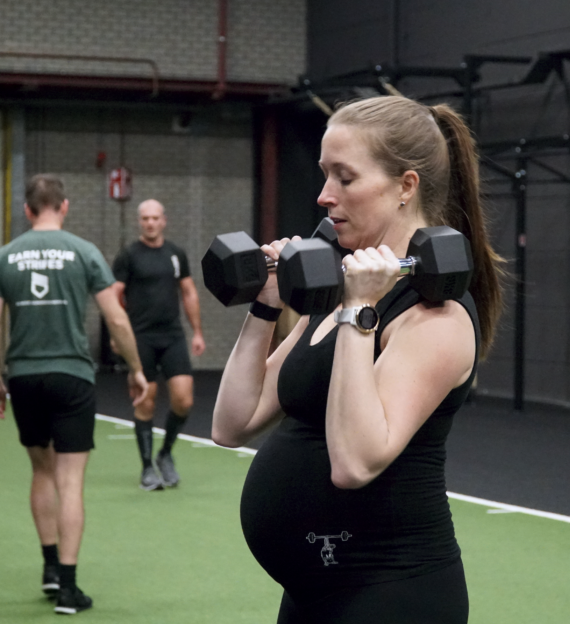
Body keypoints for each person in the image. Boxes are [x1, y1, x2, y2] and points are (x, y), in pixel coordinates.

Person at [212, 96, 504, 623]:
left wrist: (359, 309)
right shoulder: (343, 292)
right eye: (325, 175)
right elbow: (232, 424)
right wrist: (267, 302)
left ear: (405, 187)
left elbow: (354, 463)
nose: (324, 196)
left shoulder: (434, 316)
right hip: (310, 595)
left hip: (390, 593)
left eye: (345, 178)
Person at [0, 174, 148, 615]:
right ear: (65, 206)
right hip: (72, 376)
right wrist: (135, 369)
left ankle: (50, 568)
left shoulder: (5, 256)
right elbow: (116, 319)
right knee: (71, 481)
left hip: (26, 377)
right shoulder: (84, 252)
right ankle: (70, 589)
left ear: (29, 210)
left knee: (42, 471)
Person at [112, 198, 206, 490]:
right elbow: (114, 296)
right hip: (141, 338)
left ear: (163, 220)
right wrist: (119, 336)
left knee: (184, 400)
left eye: (155, 218)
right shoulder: (128, 256)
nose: (150, 223)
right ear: (140, 222)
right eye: (145, 219)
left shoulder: (176, 254)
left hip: (173, 336)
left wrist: (198, 332)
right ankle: (146, 468)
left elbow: (188, 292)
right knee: (146, 400)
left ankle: (165, 454)